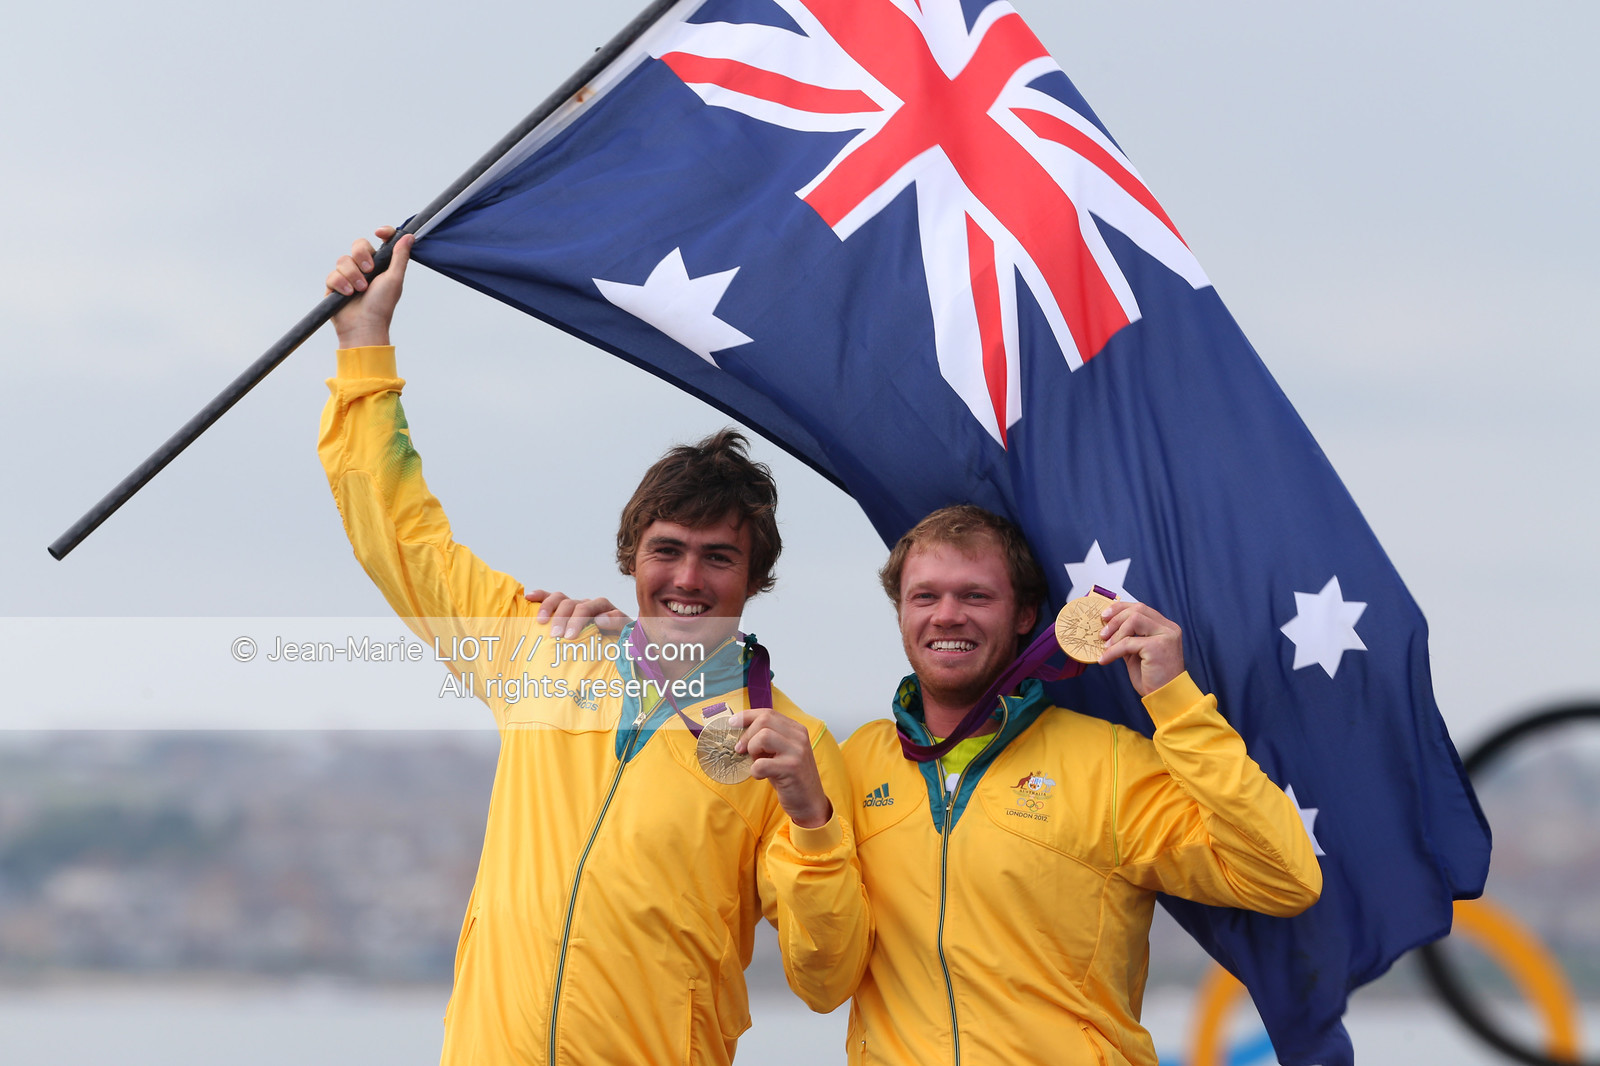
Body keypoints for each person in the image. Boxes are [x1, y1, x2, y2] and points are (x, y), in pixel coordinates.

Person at [318, 227, 870, 1065]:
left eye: (719, 557)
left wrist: (813, 820)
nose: (688, 577)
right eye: (667, 550)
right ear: (631, 557)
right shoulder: (544, 650)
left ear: (754, 578)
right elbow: (401, 538)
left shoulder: (789, 748)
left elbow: (825, 979)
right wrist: (364, 343)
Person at [841, 504, 1322, 1066]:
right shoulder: (854, 764)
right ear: (901, 612)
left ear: (1025, 615)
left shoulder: (1111, 764)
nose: (947, 615)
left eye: (975, 596)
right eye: (925, 596)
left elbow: (1285, 878)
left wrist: (1177, 704)